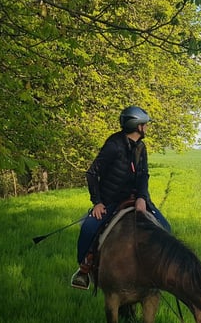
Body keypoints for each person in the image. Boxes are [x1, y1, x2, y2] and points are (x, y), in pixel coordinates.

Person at [71, 105, 171, 290]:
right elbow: (92, 173)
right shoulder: (113, 145)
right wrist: (98, 203)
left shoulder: (141, 147)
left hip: (137, 198)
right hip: (111, 200)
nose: (147, 128)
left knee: (166, 227)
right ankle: (83, 270)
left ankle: (159, 273)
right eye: (145, 124)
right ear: (136, 126)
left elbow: (143, 175)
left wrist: (142, 197)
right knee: (87, 229)